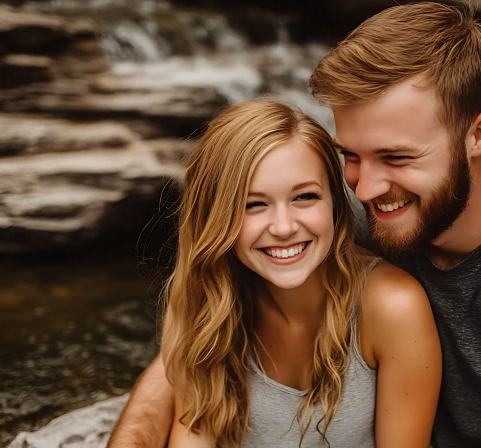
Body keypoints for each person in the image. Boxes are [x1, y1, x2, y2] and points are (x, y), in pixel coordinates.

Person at [108, 3, 481, 448]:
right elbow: (198, 338)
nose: (364, 190)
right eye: (352, 156)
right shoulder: (330, 210)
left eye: (396, 157)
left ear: (479, 133)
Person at [147, 99, 441, 448]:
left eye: (304, 197)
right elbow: (193, 438)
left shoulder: (393, 307)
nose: (284, 227)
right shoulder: (201, 303)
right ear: (216, 216)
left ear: (334, 202)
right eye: (253, 204)